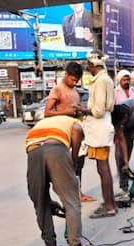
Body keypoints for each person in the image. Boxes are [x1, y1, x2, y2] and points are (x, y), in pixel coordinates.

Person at [25, 116, 95, 246]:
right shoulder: (75, 122)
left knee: (40, 201)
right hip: (56, 149)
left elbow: (36, 192)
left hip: (33, 152)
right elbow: (77, 131)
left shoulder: (44, 122)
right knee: (71, 203)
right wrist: (74, 159)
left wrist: (49, 202)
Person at [44, 62, 95, 203]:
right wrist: (66, 111)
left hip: (77, 134)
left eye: (77, 81)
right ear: (65, 74)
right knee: (68, 165)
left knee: (79, 164)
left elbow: (77, 113)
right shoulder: (57, 90)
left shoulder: (75, 91)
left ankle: (78, 192)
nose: (75, 83)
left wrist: (80, 111)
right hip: (63, 133)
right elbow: (47, 112)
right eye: (73, 80)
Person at [81, 50, 117, 219]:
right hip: (100, 128)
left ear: (94, 65)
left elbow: (98, 110)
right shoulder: (105, 79)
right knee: (103, 169)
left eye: (89, 64)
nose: (87, 67)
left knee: (103, 169)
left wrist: (82, 110)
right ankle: (109, 203)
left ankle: (109, 207)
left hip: (99, 128)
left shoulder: (101, 81)